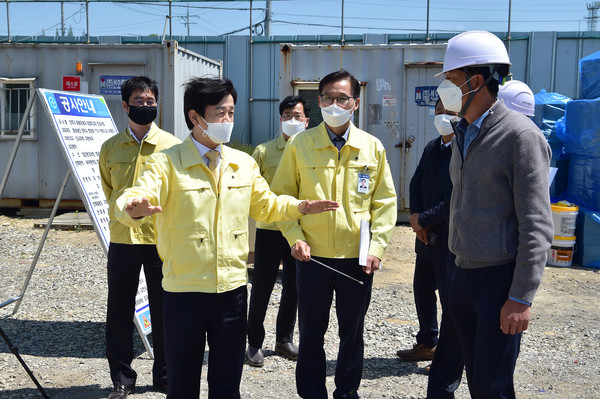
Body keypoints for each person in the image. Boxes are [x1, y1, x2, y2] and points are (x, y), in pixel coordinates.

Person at [113, 77, 338, 399]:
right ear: (195, 117)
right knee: (182, 381)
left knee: (227, 380)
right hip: (184, 290)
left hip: (231, 291)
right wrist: (133, 208)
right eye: (220, 113)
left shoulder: (242, 163)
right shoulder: (167, 162)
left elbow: (267, 205)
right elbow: (136, 195)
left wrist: (300, 206)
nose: (228, 121)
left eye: (231, 112)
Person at [434, 30, 553, 398]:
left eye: (451, 81)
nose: (444, 90)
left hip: (498, 282)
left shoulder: (521, 137)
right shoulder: (463, 132)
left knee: (492, 387)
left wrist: (520, 297)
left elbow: (537, 225)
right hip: (462, 273)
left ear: (477, 80)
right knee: (468, 376)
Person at [271, 69, 397, 399]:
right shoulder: (301, 144)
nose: (334, 103)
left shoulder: (372, 148)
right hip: (312, 257)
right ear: (319, 101)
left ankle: (347, 392)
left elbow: (384, 203)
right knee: (311, 333)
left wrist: (378, 247)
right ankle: (312, 392)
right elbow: (283, 198)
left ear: (355, 103)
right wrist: (294, 236)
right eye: (327, 97)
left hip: (358, 260)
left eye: (342, 98)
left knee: (352, 333)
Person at [99, 76, 181, 399]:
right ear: (124, 105)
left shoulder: (172, 146)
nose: (146, 106)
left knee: (166, 309)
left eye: (150, 101)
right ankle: (122, 378)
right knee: (119, 310)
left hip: (160, 239)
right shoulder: (110, 149)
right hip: (123, 240)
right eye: (139, 101)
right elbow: (110, 191)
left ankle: (164, 373)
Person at [246, 95, 310, 367]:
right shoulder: (263, 151)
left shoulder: (311, 150)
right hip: (270, 230)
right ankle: (253, 344)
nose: (292, 120)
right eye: (287, 115)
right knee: (262, 286)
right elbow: (249, 189)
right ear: (280, 119)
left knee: (294, 287)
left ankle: (284, 338)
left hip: (298, 231)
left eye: (298, 116)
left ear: (307, 120)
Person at [396, 99, 457, 371]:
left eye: (449, 112)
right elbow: (416, 181)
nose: (442, 116)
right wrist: (417, 218)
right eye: (439, 111)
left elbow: (454, 197)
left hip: (450, 238)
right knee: (422, 289)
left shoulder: (464, 149)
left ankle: (451, 353)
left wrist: (425, 219)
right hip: (426, 236)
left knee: (450, 297)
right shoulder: (434, 146)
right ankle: (427, 343)